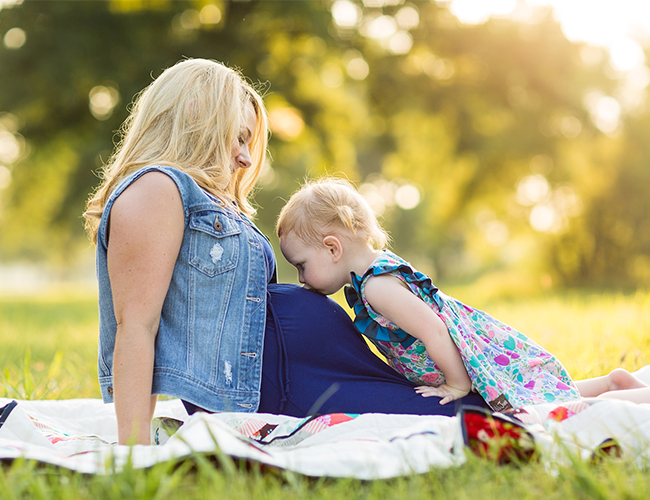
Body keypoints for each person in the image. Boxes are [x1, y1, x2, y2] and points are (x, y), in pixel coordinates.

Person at [83, 58, 489, 446]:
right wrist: (133, 450)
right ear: (194, 113)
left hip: (318, 371)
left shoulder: (203, 196)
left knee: (476, 405)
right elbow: (135, 326)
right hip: (284, 387)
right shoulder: (157, 188)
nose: (245, 156)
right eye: (240, 136)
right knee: (470, 422)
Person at [276, 178, 649, 411]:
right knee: (524, 393)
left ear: (332, 248)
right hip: (469, 352)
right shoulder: (374, 272)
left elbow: (434, 330)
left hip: (465, 359)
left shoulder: (376, 287)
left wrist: (456, 384)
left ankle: (622, 401)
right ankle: (609, 382)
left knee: (539, 410)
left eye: (301, 265)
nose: (301, 278)